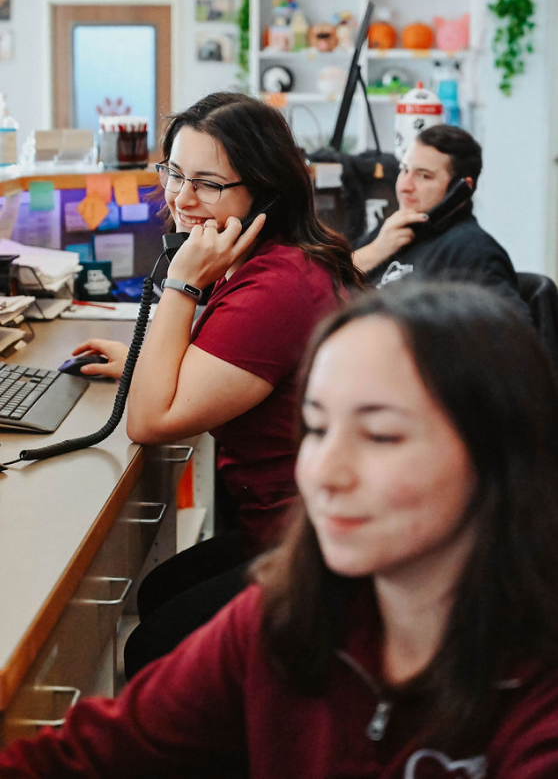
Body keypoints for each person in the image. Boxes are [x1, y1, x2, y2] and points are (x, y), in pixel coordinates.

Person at [4, 279, 558, 777]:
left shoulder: (535, 697)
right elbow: (88, 754)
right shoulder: (286, 616)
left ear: (499, 458)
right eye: (316, 427)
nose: (323, 473)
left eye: (381, 436)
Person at [71, 91, 360, 675]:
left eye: (207, 182)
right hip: (282, 518)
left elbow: (150, 422)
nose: (180, 198)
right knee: (158, 594)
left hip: (312, 539)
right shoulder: (270, 261)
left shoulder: (276, 288)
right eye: (174, 173)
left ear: (264, 193)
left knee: (153, 647)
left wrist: (180, 282)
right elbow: (224, 363)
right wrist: (145, 359)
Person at [352, 125, 527, 315]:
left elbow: (512, 336)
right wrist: (375, 251)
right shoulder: (392, 231)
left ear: (461, 187)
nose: (404, 186)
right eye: (404, 170)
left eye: (424, 176)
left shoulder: (473, 252)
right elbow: (326, 286)